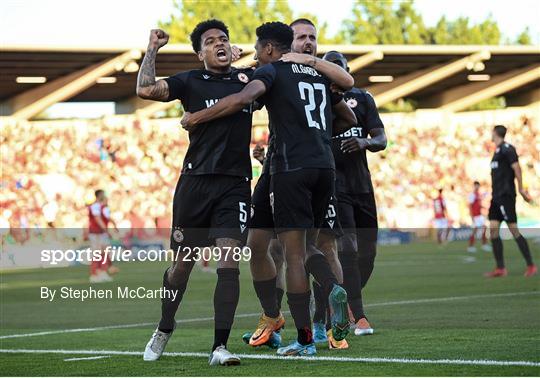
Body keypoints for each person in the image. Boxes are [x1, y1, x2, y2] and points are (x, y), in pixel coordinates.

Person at [181, 21, 357, 356]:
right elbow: (347, 115)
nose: (257, 56)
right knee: (261, 242)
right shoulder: (318, 75)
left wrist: (197, 117)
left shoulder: (274, 71)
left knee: (294, 254)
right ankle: (278, 314)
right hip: (321, 167)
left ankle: (305, 339)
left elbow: (244, 96)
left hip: (290, 168)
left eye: (259, 50)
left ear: (270, 49)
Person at [137, 20, 254, 366]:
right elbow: (145, 89)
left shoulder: (248, 80)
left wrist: (244, 61)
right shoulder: (189, 81)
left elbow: (273, 70)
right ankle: (164, 326)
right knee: (181, 267)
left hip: (235, 185)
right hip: (195, 184)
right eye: (211, 41)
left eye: (224, 39)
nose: (219, 44)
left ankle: (219, 347)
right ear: (199, 52)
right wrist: (153, 48)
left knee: (229, 261)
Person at [485, 125, 537, 278]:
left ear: (495, 133)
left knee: (513, 229)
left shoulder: (508, 149)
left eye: (491, 132)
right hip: (495, 197)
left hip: (506, 196)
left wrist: (521, 189)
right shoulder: (497, 151)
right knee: (493, 229)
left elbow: (517, 168)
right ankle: (500, 268)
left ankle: (531, 265)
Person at [88, 190, 114, 283]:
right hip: (96, 233)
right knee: (97, 253)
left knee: (105, 252)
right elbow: (97, 219)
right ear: (99, 195)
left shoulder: (103, 206)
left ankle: (102, 272)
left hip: (101, 233)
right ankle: (94, 274)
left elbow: (106, 218)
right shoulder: (95, 206)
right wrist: (106, 230)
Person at [467, 181, 491, 253]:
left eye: (478, 185)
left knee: (484, 228)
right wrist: (472, 217)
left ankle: (484, 244)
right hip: (475, 216)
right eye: (476, 185)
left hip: (480, 215)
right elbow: (470, 206)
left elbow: (478, 205)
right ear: (474, 186)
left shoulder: (478, 194)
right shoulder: (472, 194)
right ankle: (470, 246)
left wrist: (483, 208)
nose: (477, 187)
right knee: (475, 230)